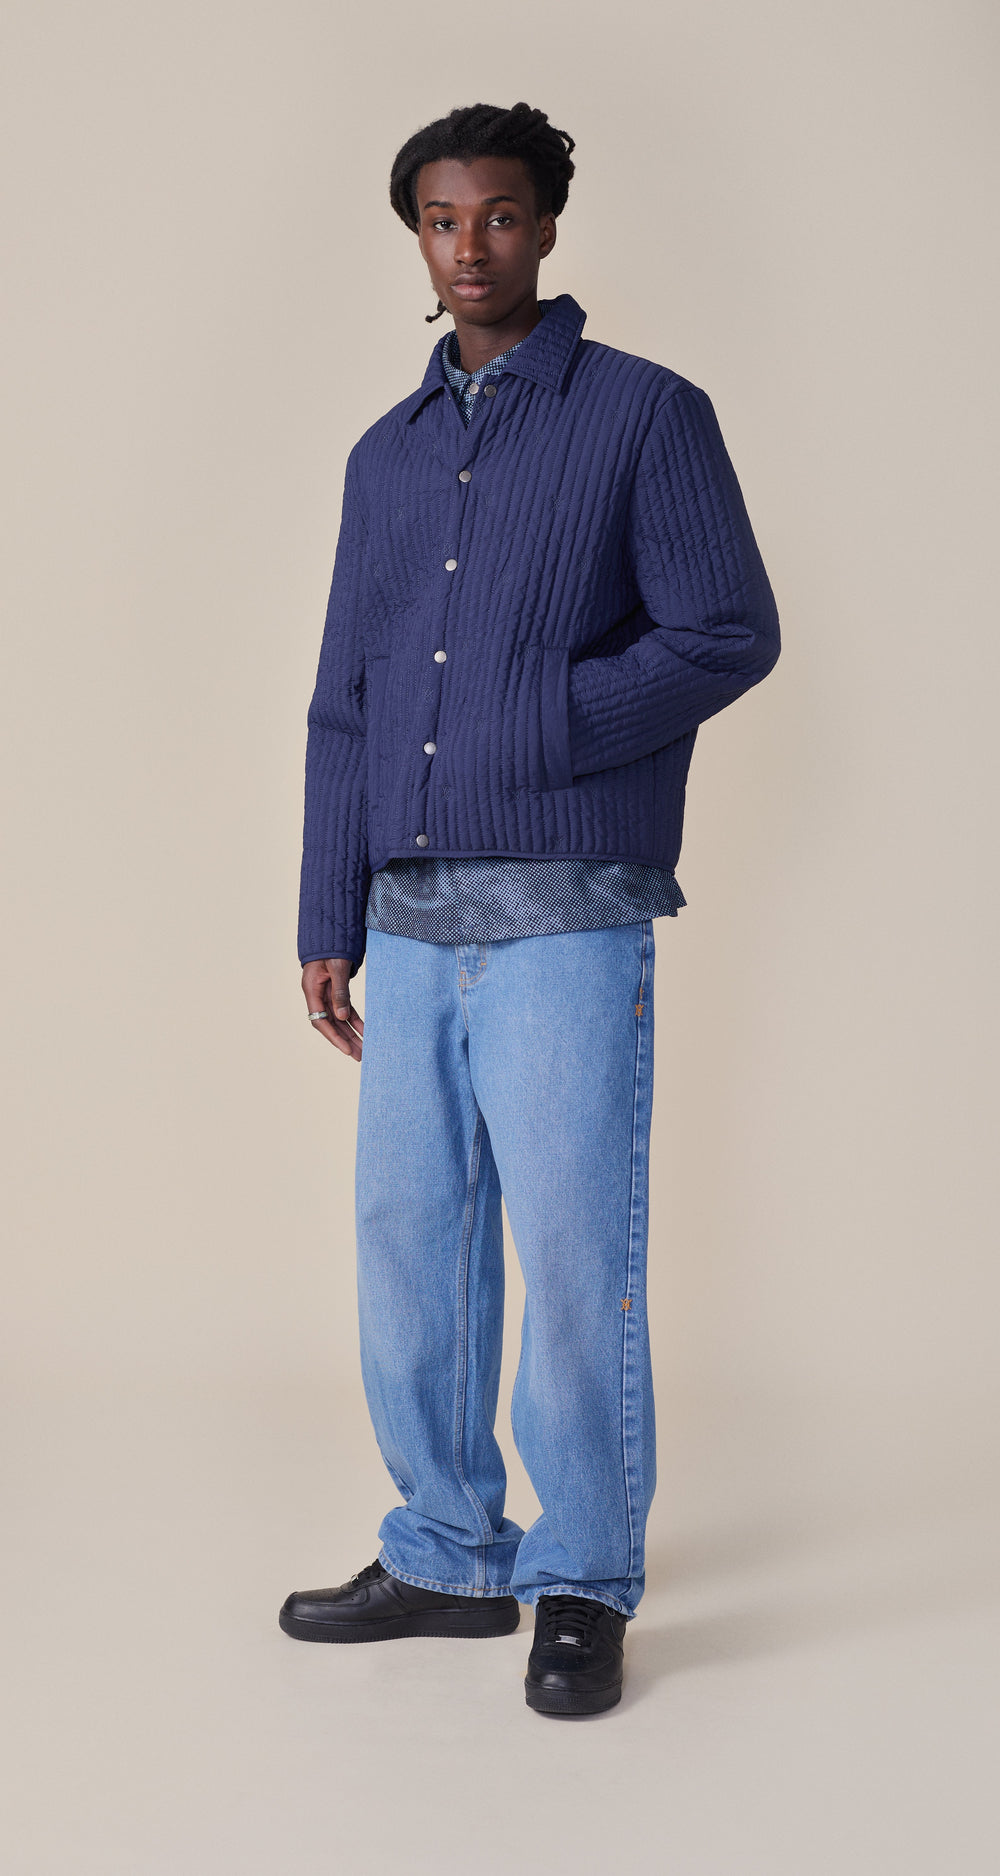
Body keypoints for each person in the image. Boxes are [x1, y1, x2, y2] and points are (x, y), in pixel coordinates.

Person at [280, 101, 781, 1717]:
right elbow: (347, 701)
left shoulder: (645, 414)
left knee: (573, 1257)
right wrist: (327, 909)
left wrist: (545, 722)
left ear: (547, 225)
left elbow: (727, 630)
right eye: (442, 220)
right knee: (410, 1251)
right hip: (411, 918)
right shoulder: (384, 455)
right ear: (415, 236)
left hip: (569, 909)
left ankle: (582, 1576)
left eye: (499, 215)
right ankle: (445, 1552)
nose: (471, 246)